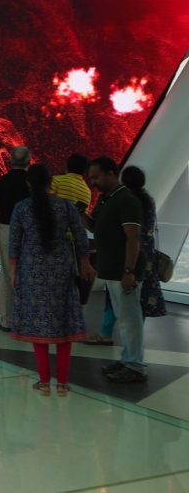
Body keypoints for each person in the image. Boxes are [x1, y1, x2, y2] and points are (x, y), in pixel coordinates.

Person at [9, 164, 94, 395]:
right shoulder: (66, 206)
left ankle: (44, 382)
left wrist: (13, 271)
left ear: (29, 184)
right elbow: (80, 236)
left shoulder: (22, 208)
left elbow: (14, 243)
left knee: (39, 323)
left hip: (31, 270)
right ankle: (63, 384)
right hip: (61, 269)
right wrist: (85, 262)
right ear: (51, 182)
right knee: (63, 321)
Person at [85, 156, 147, 383]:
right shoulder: (105, 198)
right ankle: (127, 359)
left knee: (130, 319)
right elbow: (95, 226)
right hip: (110, 270)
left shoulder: (127, 200)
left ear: (111, 173)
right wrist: (81, 214)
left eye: (96, 177)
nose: (93, 182)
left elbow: (133, 237)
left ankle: (136, 365)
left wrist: (129, 271)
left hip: (124, 271)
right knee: (124, 318)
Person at [0, 146, 31, 331]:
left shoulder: (1, 182)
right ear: (29, 162)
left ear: (10, 161)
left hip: (6, 230)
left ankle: (8, 321)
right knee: (30, 275)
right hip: (30, 232)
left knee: (7, 275)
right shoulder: (33, 183)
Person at [122, 166, 167, 322]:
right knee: (145, 290)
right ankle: (139, 324)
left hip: (132, 249)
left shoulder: (128, 200)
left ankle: (112, 331)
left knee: (125, 290)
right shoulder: (149, 200)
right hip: (148, 250)